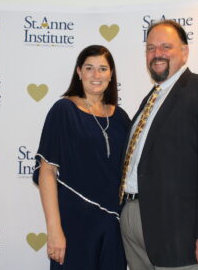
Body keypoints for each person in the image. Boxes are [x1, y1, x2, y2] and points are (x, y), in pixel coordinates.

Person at [119, 20, 198, 270]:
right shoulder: (150, 100)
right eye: (151, 48)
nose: (157, 54)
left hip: (180, 233)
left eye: (166, 46)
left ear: (184, 52)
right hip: (134, 220)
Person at [33, 45, 129, 270]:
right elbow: (47, 171)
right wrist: (54, 230)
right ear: (79, 72)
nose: (96, 75)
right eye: (89, 68)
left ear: (111, 74)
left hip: (114, 226)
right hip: (75, 223)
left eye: (103, 68)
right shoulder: (63, 110)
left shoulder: (121, 117)